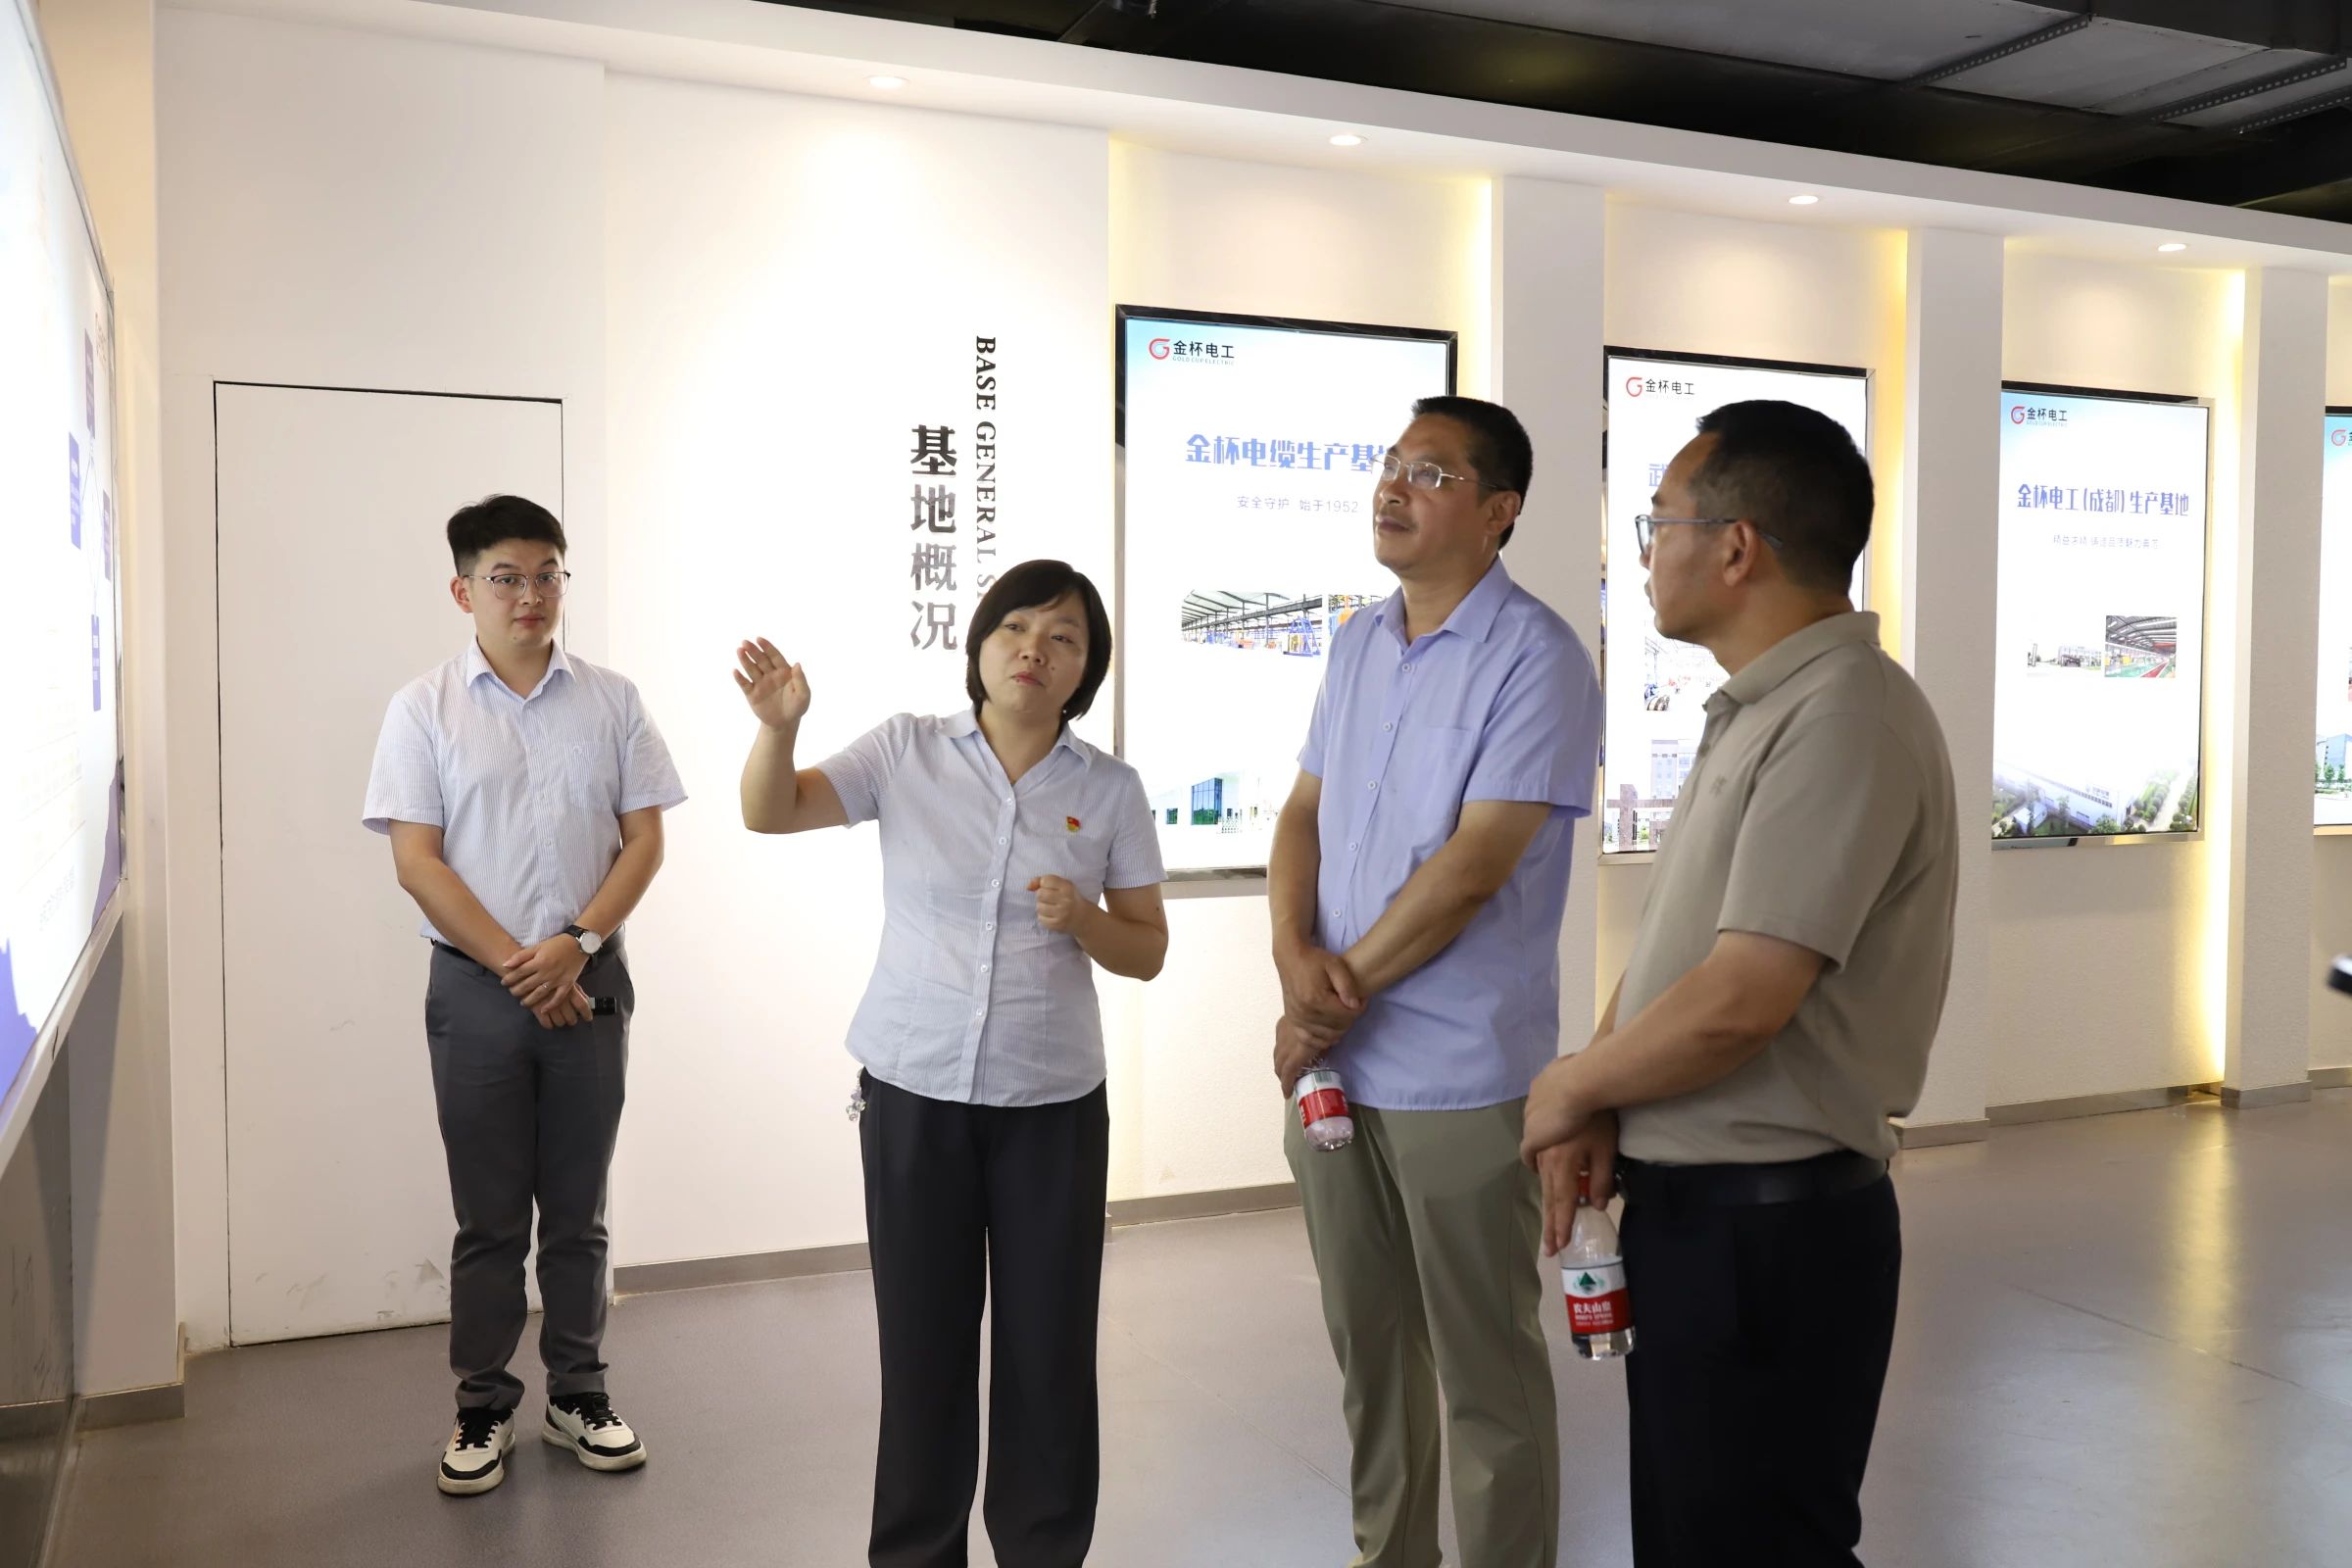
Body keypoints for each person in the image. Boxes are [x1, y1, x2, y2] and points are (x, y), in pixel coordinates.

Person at [1521, 400, 1959, 1568]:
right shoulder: (1761, 707)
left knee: (1756, 1542)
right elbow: (1679, 953)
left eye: (1657, 520)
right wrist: (1604, 1086)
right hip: (1703, 1223)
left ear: (1735, 546)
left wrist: (1568, 1086)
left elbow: (1742, 997)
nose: (1643, 552)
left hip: (1770, 1236)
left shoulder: (1843, 716)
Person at [734, 559, 1168, 1568]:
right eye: (1015, 627)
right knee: (922, 1348)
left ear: (1085, 669)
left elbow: (1147, 949)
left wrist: (1085, 919)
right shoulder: (906, 750)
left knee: (1047, 1348)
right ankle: (916, 1553)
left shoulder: (1110, 789)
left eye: (1063, 637)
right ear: (980, 645)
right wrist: (779, 728)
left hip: (1051, 1104)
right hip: (913, 1088)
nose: (1034, 649)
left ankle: (1042, 1548)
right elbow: (771, 809)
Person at [1269, 396, 1601, 1568]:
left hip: (1461, 1075)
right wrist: (1292, 959)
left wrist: (1324, 997)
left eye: (1431, 472)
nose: (1393, 487)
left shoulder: (1539, 657)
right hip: (1339, 1074)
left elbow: (1472, 869)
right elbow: (1302, 815)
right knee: (1372, 1362)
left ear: (1500, 510)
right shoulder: (1358, 642)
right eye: (1390, 463)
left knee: (1484, 1373)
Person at [362, 494, 685, 1495]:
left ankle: (578, 1392)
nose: (531, 594)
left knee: (579, 1210)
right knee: (491, 1216)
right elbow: (418, 862)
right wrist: (523, 964)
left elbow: (645, 841)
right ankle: (483, 1403)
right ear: (464, 591)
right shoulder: (423, 708)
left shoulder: (613, 701)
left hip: (590, 979)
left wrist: (574, 948)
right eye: (506, 577)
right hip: (478, 990)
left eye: (547, 574)